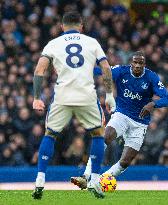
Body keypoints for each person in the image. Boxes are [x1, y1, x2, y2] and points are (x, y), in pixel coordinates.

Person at [32, 11, 116, 199]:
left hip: (62, 95)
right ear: (81, 27)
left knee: (50, 134)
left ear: (62, 27)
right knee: (97, 133)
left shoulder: (53, 44)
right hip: (86, 94)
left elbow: (39, 69)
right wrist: (109, 95)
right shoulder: (92, 42)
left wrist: (37, 97)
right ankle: (94, 180)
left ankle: (40, 179)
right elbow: (106, 68)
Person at [71, 51, 168, 189]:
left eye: (140, 63)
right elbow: (101, 71)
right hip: (122, 115)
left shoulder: (151, 77)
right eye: (135, 62)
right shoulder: (121, 71)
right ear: (131, 63)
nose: (137, 65)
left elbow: (167, 99)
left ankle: (100, 181)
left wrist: (153, 104)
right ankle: (85, 176)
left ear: (144, 64)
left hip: (140, 123)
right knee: (105, 137)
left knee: (125, 161)